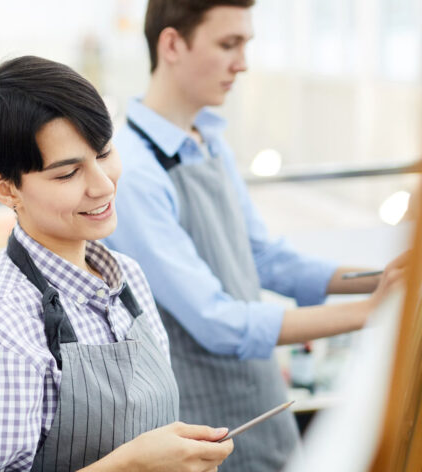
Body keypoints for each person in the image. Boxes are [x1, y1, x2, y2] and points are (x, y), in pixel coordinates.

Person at [103, 1, 408, 470]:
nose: (242, 64)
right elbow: (216, 321)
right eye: (229, 45)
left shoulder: (207, 139)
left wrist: (378, 279)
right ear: (172, 44)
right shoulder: (135, 173)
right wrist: (369, 311)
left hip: (261, 400)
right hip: (203, 426)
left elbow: (264, 257)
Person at [0, 55, 234, 472]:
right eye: (67, 174)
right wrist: (133, 465)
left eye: (104, 153)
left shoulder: (128, 281)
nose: (103, 185)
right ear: (5, 188)